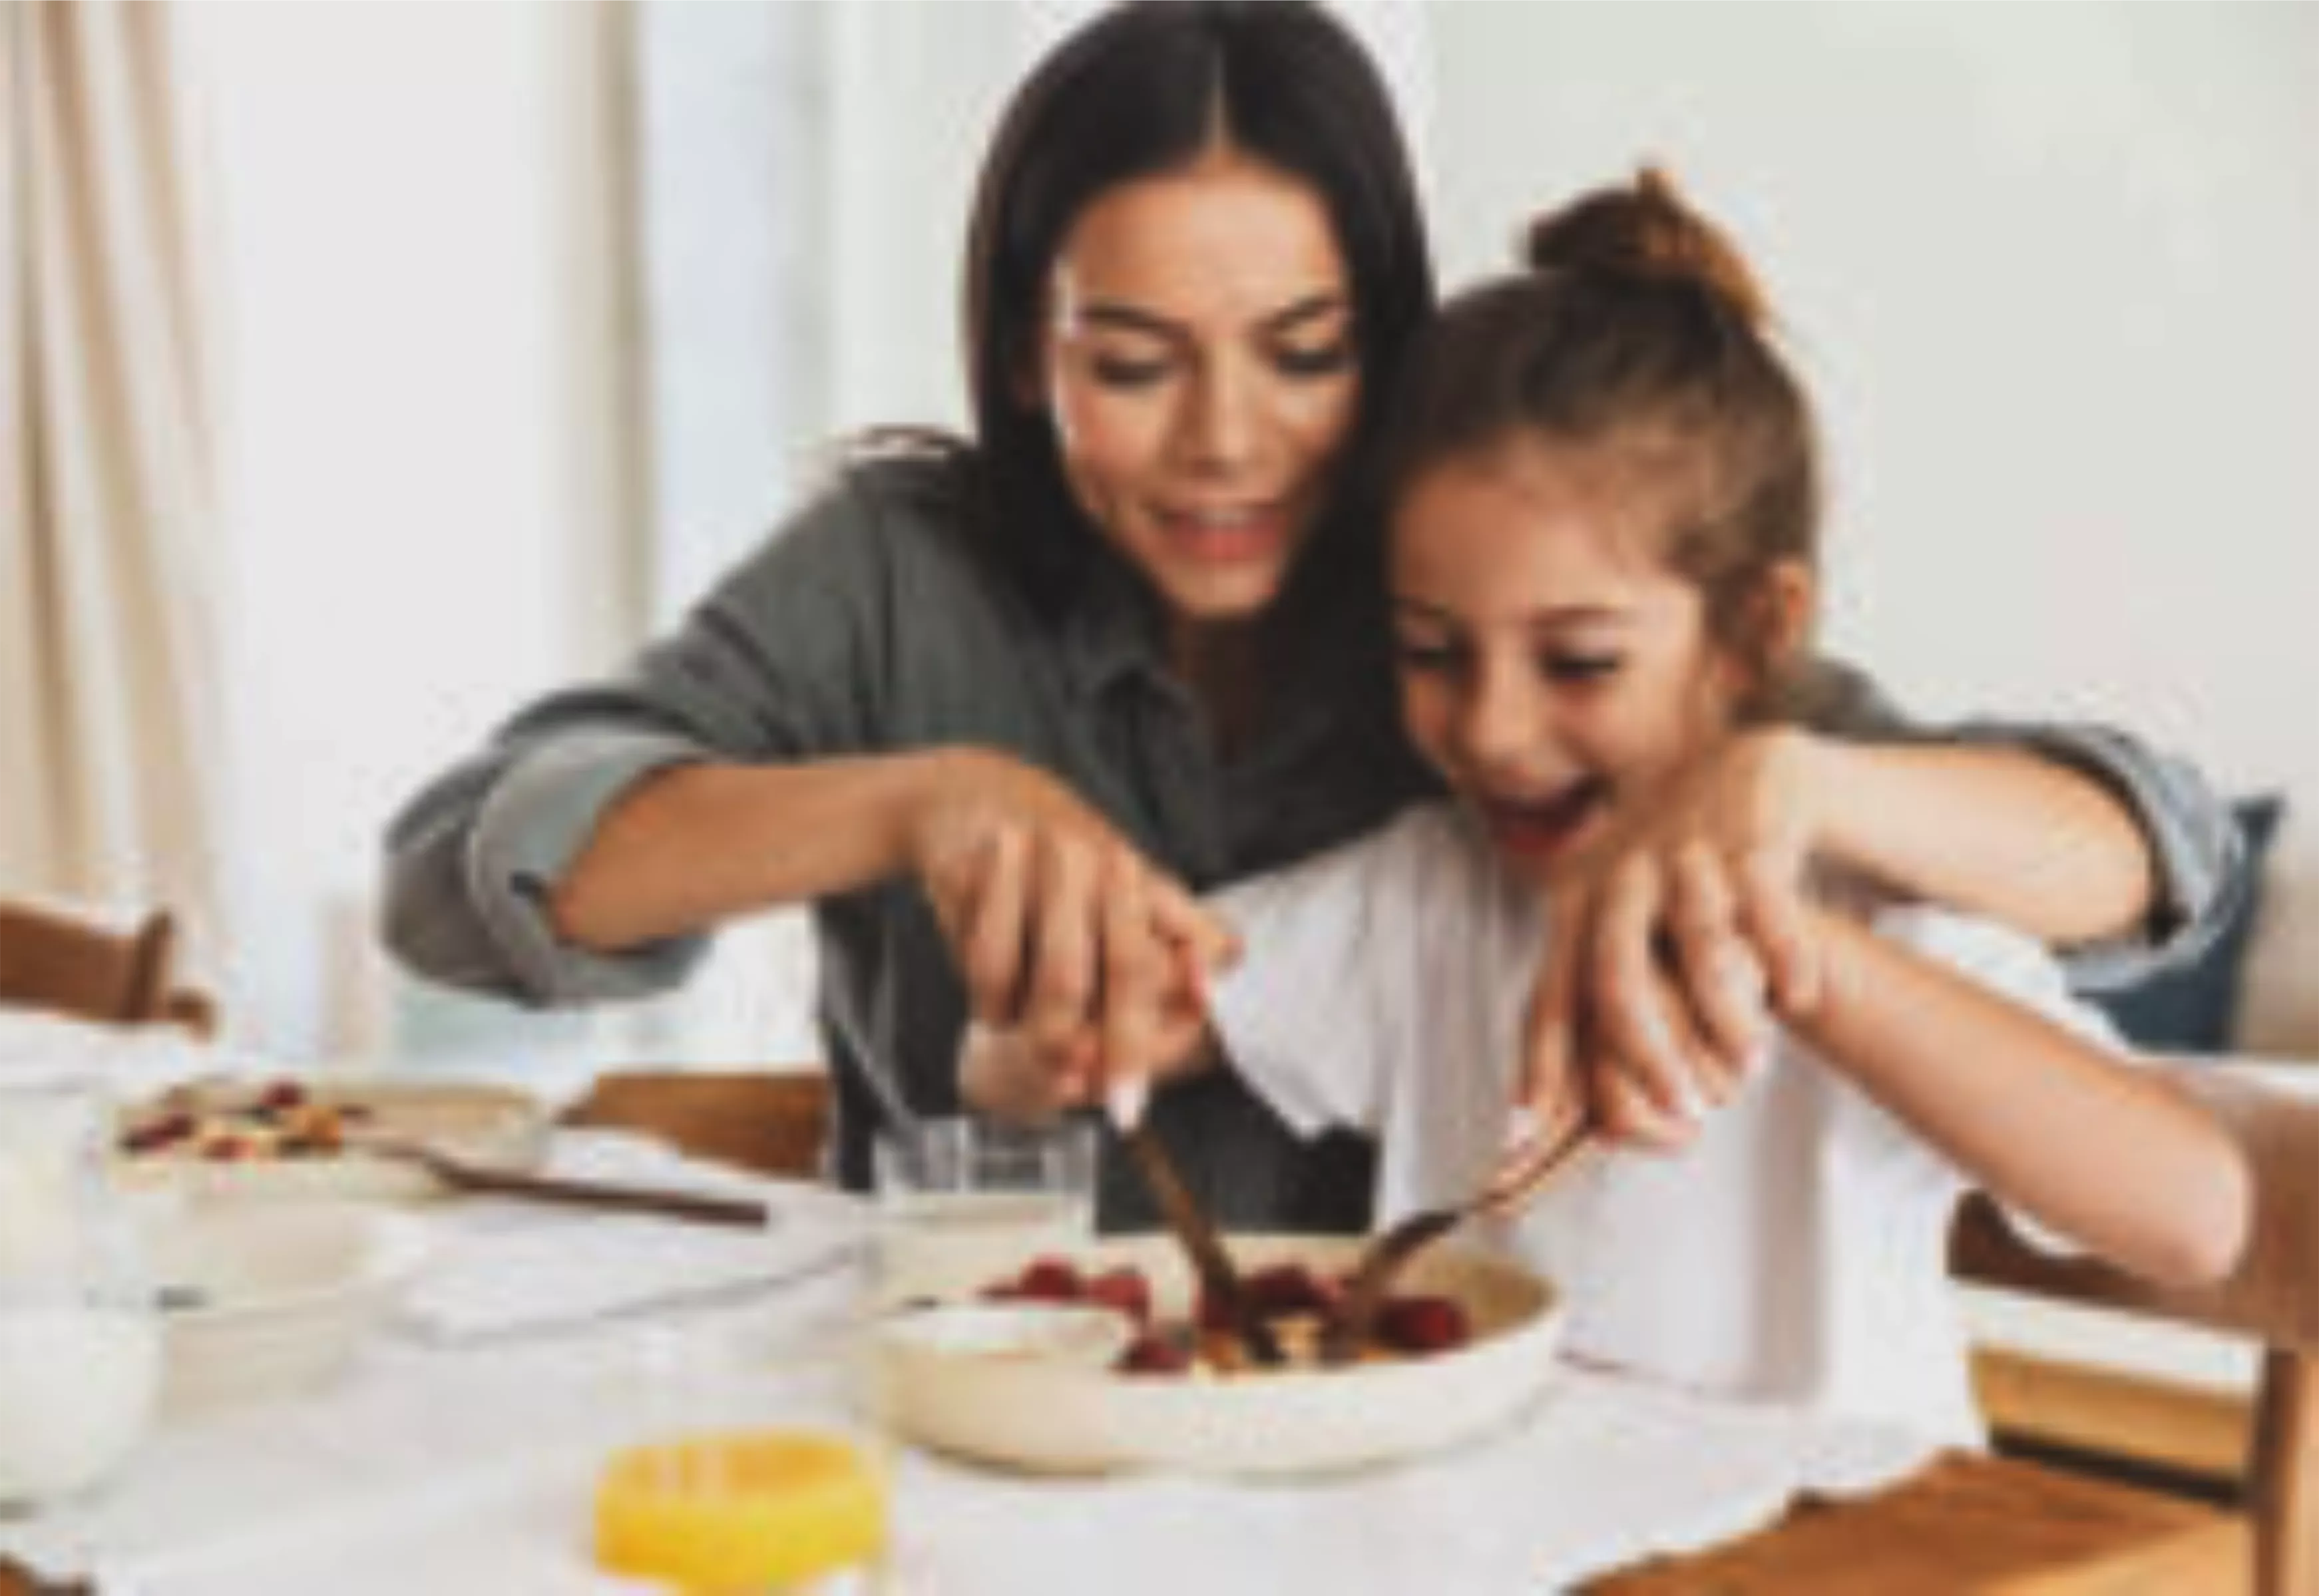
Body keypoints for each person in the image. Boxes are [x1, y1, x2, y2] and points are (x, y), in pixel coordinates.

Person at [383, 1, 2240, 1232]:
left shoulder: (1486, 608)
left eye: (1304, 351)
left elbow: (2143, 851)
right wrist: (916, 801)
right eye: (1131, 361)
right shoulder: (897, 573)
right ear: (1030, 355)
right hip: (955, 1460)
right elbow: (463, 870)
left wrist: (1793, 788)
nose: (1224, 446)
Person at [964, 170, 2250, 1440]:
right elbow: (1020, 1063)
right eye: (1431, 650)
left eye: (1578, 660)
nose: (1491, 729)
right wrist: (1068, 1007)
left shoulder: (1873, 908)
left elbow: (2196, 1216)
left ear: (1755, 629)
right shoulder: (1423, 896)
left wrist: (1803, 966)